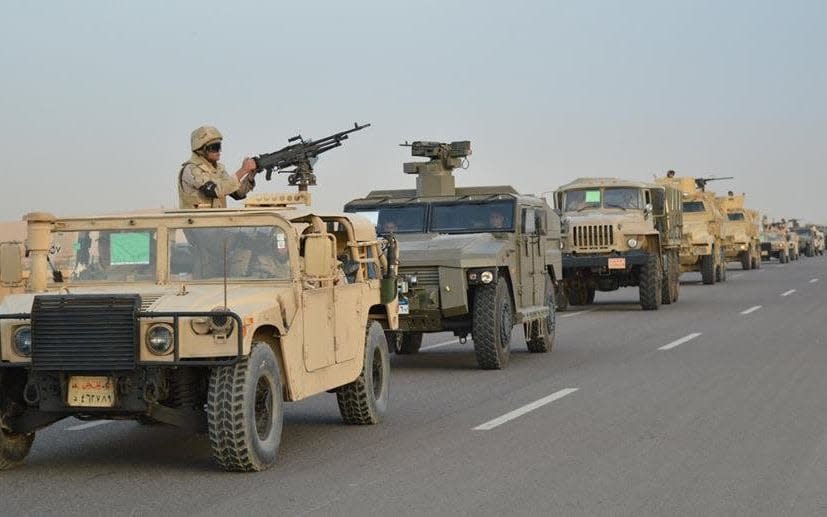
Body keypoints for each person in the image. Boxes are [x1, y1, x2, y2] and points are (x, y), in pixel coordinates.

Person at [178, 126, 259, 209]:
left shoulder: (219, 169)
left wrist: (250, 176)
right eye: (214, 147)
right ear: (200, 150)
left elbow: (237, 194)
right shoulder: (191, 170)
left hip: (217, 220)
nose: (219, 151)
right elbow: (213, 191)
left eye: (219, 147)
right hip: (196, 220)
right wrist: (243, 170)